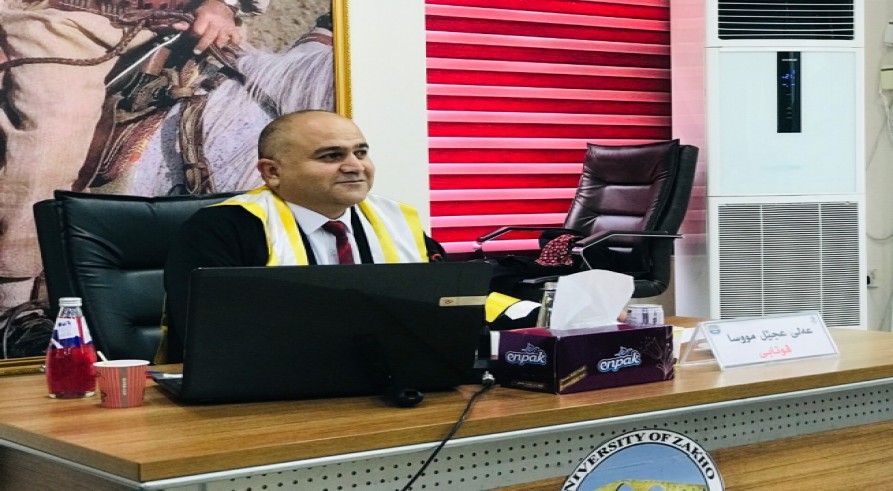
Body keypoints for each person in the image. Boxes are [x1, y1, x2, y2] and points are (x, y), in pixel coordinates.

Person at [0, 0, 269, 318]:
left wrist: (224, 4)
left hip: (199, 25)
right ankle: (12, 297)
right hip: (80, 20)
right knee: (51, 134)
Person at [161, 110, 447, 362]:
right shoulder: (221, 229)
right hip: (266, 390)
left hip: (390, 378)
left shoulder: (398, 220)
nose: (356, 167)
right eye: (331, 156)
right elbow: (214, 337)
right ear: (272, 171)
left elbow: (447, 308)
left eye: (360, 153)